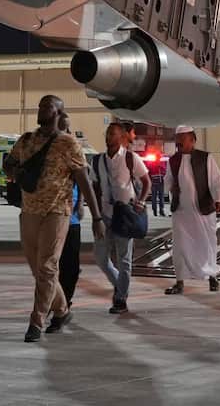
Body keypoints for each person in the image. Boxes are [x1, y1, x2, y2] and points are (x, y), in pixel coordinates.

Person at [8, 95, 105, 342]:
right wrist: (16, 172)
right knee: (39, 269)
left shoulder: (68, 144)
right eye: (40, 105)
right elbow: (8, 163)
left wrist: (97, 217)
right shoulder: (26, 140)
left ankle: (36, 321)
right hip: (29, 212)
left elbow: (84, 181)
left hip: (57, 212)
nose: (41, 109)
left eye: (47, 106)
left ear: (59, 112)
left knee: (48, 267)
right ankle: (62, 310)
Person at [90, 120, 151, 314]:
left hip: (125, 214)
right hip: (105, 215)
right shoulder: (97, 160)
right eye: (107, 134)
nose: (109, 138)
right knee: (100, 258)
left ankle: (120, 299)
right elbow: (94, 186)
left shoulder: (131, 158)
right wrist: (95, 214)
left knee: (124, 259)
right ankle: (120, 284)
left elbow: (146, 181)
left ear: (122, 137)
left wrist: (141, 202)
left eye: (113, 134)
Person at [165, 125, 220, 295]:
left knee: (207, 244)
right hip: (181, 211)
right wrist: (171, 187)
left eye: (183, 139)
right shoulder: (173, 160)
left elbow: (217, 181)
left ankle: (213, 277)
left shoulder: (205, 158)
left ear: (193, 140)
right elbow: (167, 181)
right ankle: (179, 281)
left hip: (203, 211)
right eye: (177, 139)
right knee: (180, 246)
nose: (179, 143)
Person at [57, 106, 83, 308]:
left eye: (67, 129)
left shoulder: (74, 149)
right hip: (52, 217)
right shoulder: (47, 149)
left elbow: (82, 178)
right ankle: (57, 303)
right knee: (51, 266)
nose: (65, 133)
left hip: (71, 217)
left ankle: (66, 300)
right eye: (61, 128)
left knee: (71, 266)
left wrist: (81, 203)